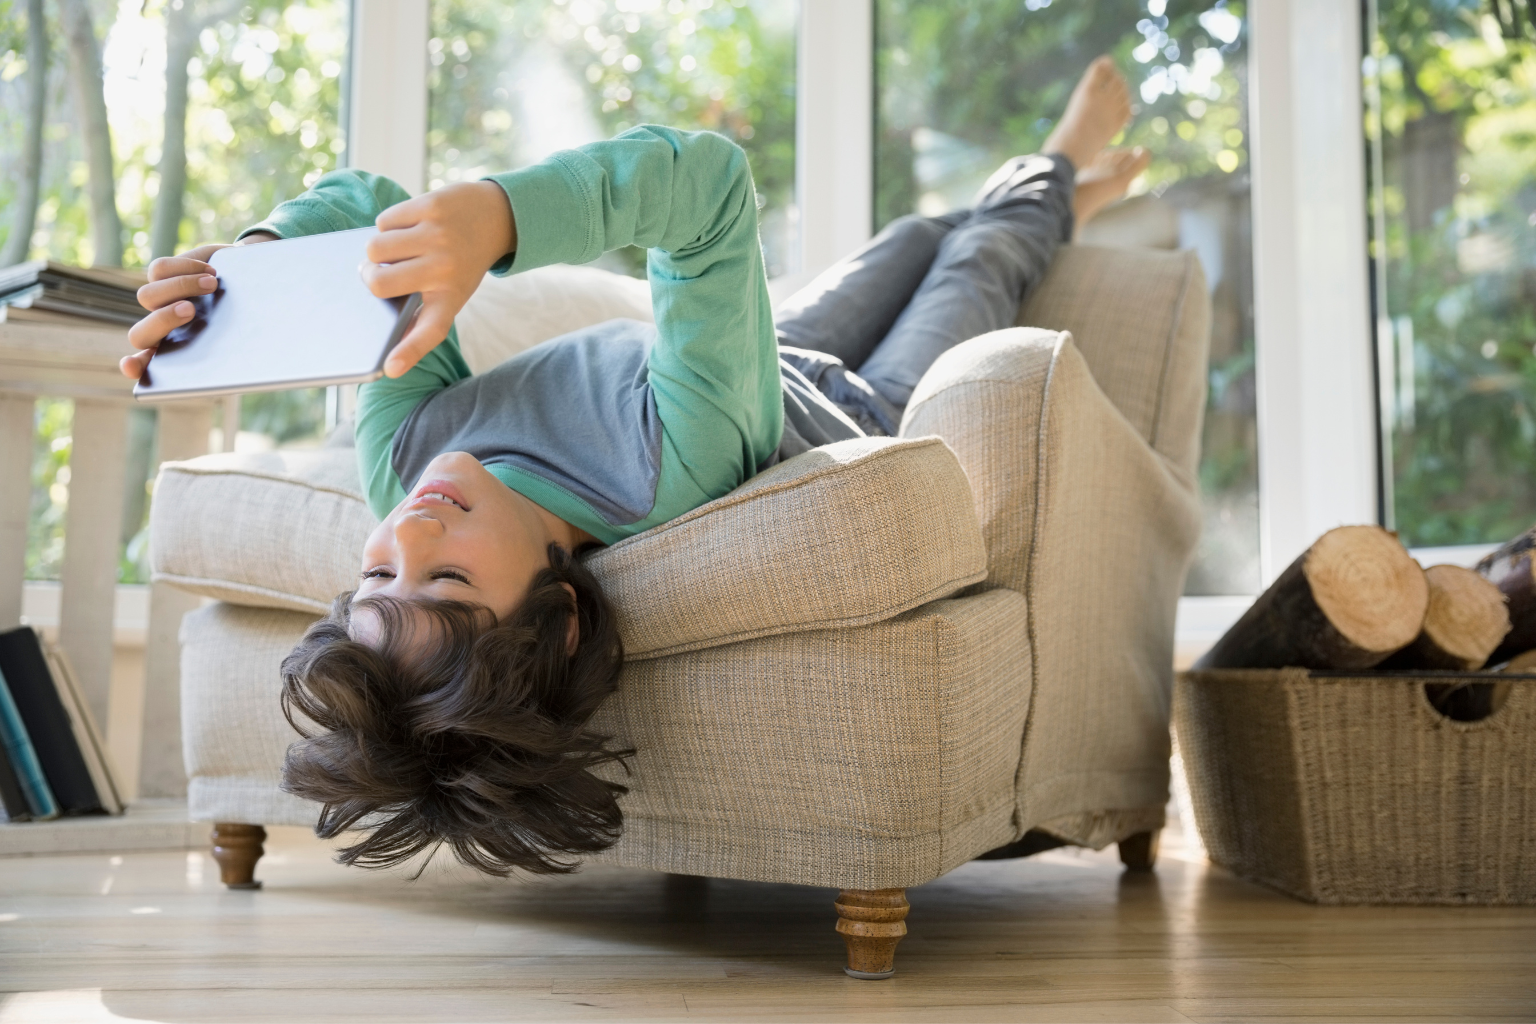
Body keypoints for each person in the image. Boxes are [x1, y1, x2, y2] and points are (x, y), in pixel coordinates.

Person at [122, 57, 1149, 877]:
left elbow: (370, 205)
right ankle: (1058, 174)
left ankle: (1027, 196)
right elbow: (707, 186)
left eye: (377, 576)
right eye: (450, 579)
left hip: (758, 358)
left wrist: (251, 268)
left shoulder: (402, 464)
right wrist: (503, 215)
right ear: (560, 611)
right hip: (853, 404)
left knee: (914, 236)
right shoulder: (664, 467)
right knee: (982, 256)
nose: (411, 533)